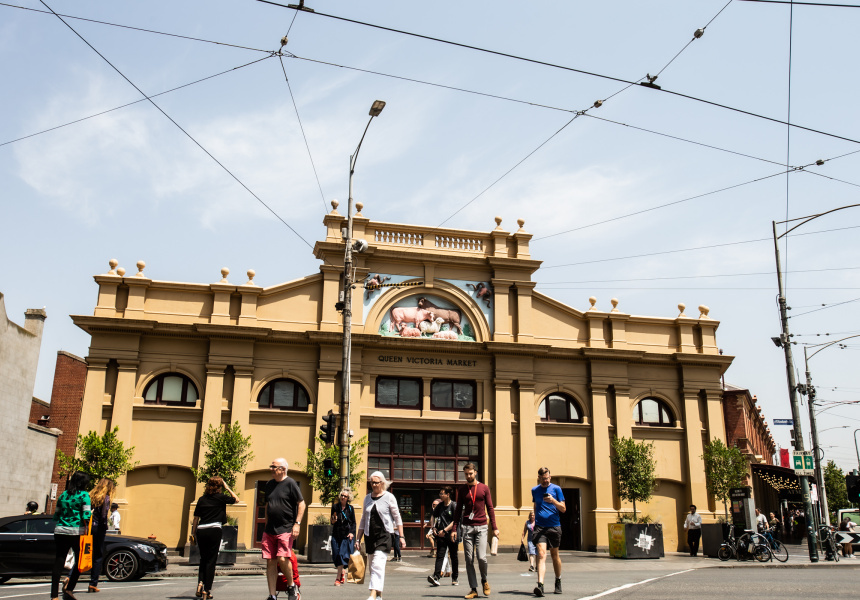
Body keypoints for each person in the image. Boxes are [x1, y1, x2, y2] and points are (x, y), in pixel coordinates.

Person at [452, 462, 499, 600]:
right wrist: (454, 528)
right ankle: (473, 588)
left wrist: (495, 527)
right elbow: (458, 510)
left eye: (470, 474)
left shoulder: (484, 488)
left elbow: (490, 508)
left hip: (482, 526)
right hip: (467, 527)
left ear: (475, 472)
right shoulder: (462, 490)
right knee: (469, 559)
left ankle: (484, 580)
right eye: (466, 474)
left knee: (481, 557)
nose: (468, 476)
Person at [356, 471, 405, 600]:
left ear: (382, 483)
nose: (373, 485)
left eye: (375, 482)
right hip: (369, 535)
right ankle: (379, 594)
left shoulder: (389, 497)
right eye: (371, 482)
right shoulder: (367, 498)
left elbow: (397, 517)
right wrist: (358, 538)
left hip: (385, 535)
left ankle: (372, 594)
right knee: (373, 566)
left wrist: (401, 536)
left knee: (378, 563)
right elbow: (363, 519)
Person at [263, 458, 305, 600]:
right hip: (270, 530)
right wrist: (266, 525)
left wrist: (297, 524)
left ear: (282, 469)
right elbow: (268, 505)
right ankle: (272, 595)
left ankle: (292, 586)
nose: (271, 469)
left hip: (286, 528)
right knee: (270, 561)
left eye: (273, 466)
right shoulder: (269, 485)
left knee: (282, 558)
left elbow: (301, 504)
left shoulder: (291, 483)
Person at [191, 477, 238, 599]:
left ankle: (200, 583)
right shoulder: (221, 498)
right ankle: (207, 590)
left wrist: (193, 534)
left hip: (201, 530)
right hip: (214, 530)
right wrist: (227, 487)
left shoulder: (201, 500)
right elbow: (236, 500)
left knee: (203, 558)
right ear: (220, 486)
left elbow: (196, 518)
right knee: (211, 561)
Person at [51, 471, 92, 600]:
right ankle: (69, 589)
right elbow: (86, 515)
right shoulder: (84, 495)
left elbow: (56, 513)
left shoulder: (63, 495)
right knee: (80, 561)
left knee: (59, 560)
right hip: (76, 532)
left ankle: (54, 596)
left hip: (60, 530)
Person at [70, 478, 115, 593]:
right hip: (98, 528)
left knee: (83, 553)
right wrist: (105, 527)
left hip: (87, 527)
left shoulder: (90, 496)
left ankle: (69, 578)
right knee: (98, 555)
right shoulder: (106, 498)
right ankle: (93, 583)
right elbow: (103, 516)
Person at [530, 467, 565, 597]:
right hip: (540, 527)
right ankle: (540, 585)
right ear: (539, 478)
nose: (545, 481)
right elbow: (536, 505)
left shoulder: (557, 489)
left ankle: (558, 580)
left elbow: (563, 509)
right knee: (541, 554)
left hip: (554, 527)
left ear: (550, 477)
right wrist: (534, 520)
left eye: (547, 478)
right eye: (542, 479)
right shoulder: (535, 490)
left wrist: (553, 501)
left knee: (554, 555)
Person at [427, 485, 459, 587]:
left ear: (448, 494)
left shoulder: (454, 505)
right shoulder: (440, 506)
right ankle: (436, 577)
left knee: (454, 556)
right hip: (441, 535)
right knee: (440, 556)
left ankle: (455, 577)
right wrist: (433, 527)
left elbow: (455, 520)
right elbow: (433, 516)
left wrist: (445, 530)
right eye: (440, 493)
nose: (440, 495)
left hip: (452, 534)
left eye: (442, 493)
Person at [330, 488, 356, 585]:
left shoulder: (350, 509)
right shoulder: (335, 507)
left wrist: (352, 533)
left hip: (346, 535)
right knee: (336, 554)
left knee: (341, 554)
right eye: (342, 495)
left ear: (348, 498)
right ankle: (342, 572)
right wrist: (333, 520)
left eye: (345, 496)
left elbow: (353, 523)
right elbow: (331, 521)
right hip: (336, 534)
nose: (343, 497)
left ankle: (338, 578)